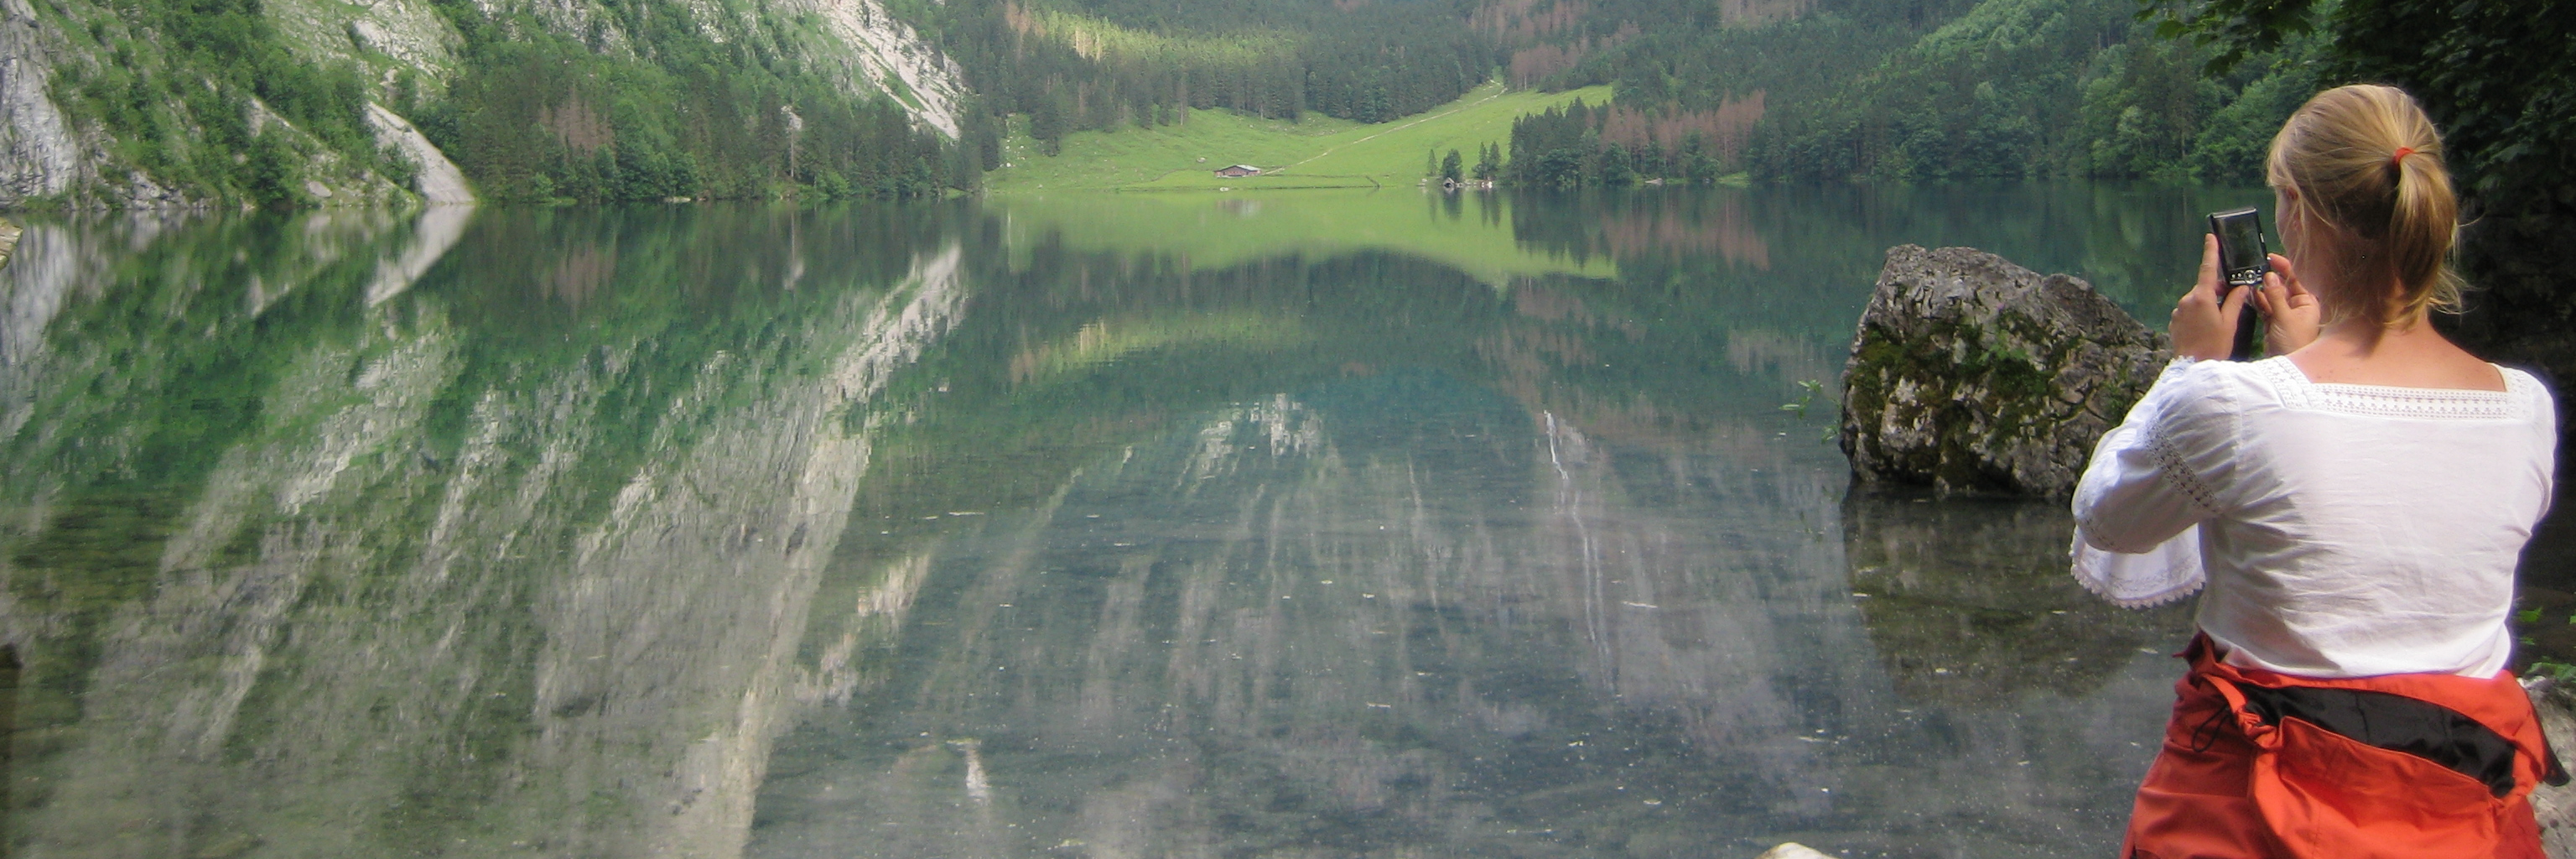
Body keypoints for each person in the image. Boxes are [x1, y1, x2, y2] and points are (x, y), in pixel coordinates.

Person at [2070, 83, 2564, 859]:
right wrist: (2301, 362)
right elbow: (2394, 518)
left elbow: (2106, 516)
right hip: (2460, 819)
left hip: (2248, 817)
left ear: (2295, 210)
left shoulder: (2231, 407)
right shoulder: (2525, 410)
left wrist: (2190, 366)